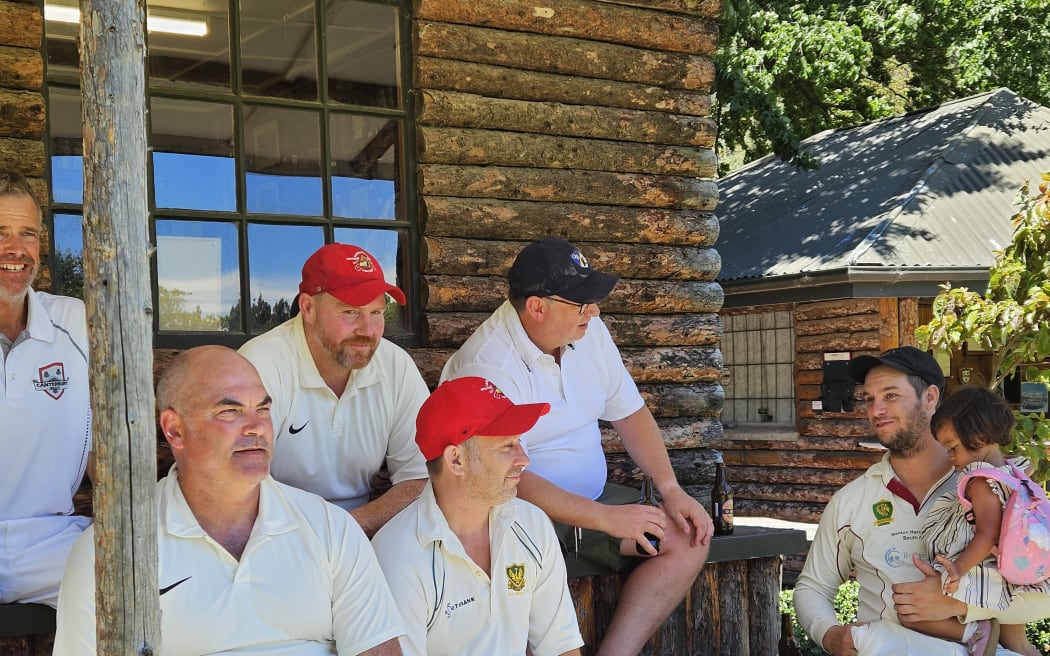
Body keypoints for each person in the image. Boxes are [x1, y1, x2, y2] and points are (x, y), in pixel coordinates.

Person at [440, 238, 711, 656]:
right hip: (509, 511)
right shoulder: (488, 364)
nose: (595, 311)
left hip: (589, 503)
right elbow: (507, 477)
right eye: (582, 303)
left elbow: (630, 413)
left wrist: (670, 489)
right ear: (537, 307)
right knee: (519, 563)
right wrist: (605, 519)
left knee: (687, 535)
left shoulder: (590, 333)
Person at [53, 346, 404, 655]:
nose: (256, 427)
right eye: (230, 412)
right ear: (174, 429)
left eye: (263, 410)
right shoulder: (112, 551)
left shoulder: (331, 530)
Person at [793, 346, 1022, 655]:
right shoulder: (851, 500)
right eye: (869, 399)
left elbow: (1039, 588)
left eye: (890, 396)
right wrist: (831, 635)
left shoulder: (991, 486)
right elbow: (813, 587)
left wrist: (960, 607)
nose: (875, 411)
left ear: (930, 398)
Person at [373, 376, 584, 656]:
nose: (524, 459)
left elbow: (561, 647)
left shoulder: (532, 524)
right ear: (456, 460)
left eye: (519, 442)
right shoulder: (397, 555)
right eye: (506, 446)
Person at [240, 243, 428, 537]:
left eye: (377, 313)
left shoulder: (394, 365)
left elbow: (421, 478)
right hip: (272, 533)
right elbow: (236, 481)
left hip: (363, 532)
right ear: (308, 308)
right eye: (350, 312)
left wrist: (348, 531)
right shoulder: (262, 364)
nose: (367, 330)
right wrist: (321, 537)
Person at [0, 170, 91, 609]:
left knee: (158, 587)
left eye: (27, 234)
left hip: (53, 543)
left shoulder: (76, 323)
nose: (15, 249)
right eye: (0, 232)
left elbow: (109, 437)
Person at [919, 385, 1050, 656]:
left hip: (985, 573)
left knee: (916, 614)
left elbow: (987, 533)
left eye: (953, 448)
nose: (951, 458)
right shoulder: (1016, 470)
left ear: (978, 437)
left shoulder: (980, 480)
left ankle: (976, 631)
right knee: (1020, 644)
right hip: (1014, 572)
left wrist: (957, 568)